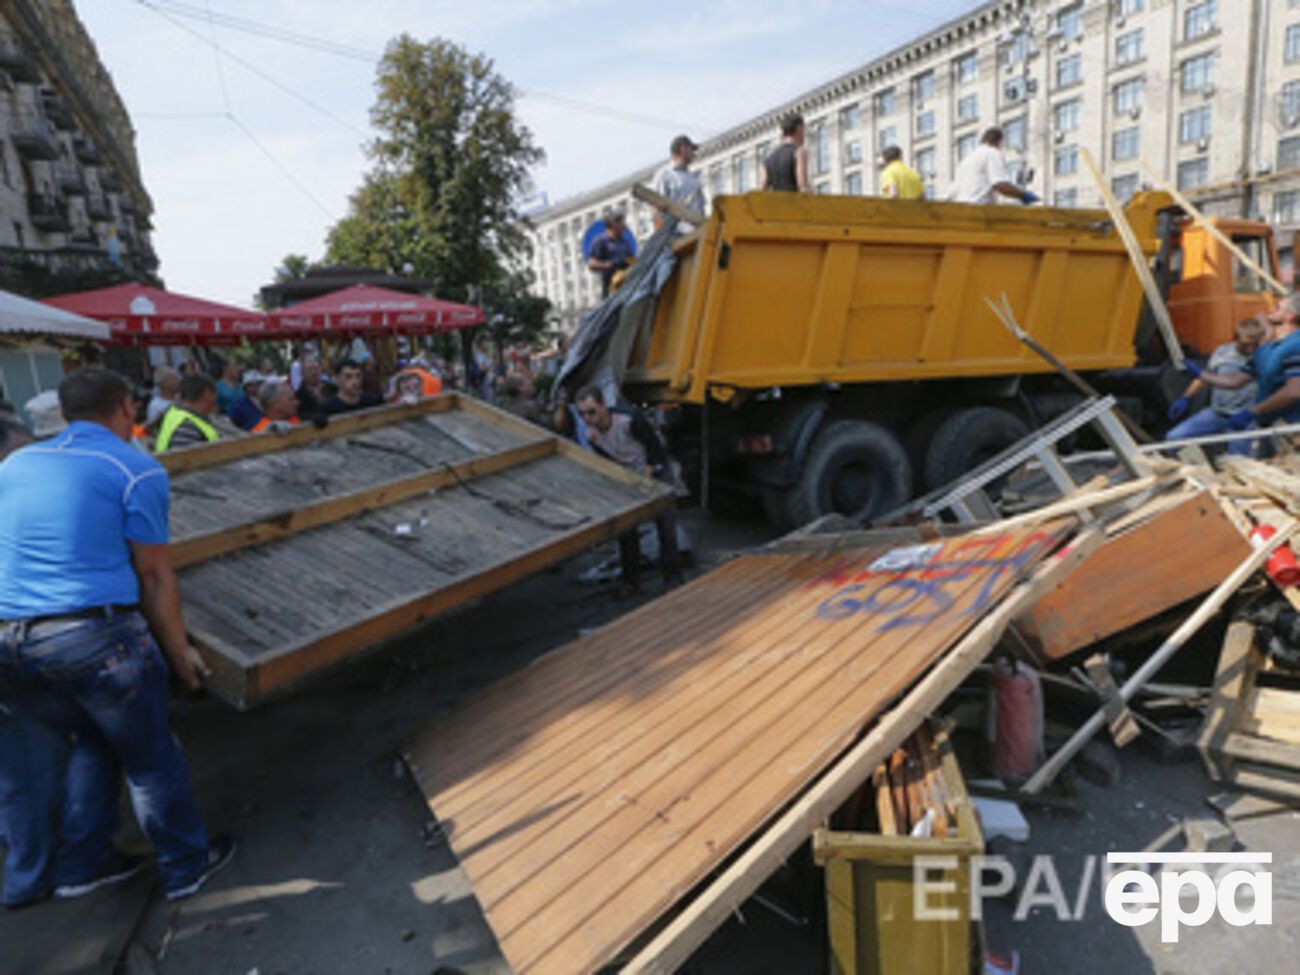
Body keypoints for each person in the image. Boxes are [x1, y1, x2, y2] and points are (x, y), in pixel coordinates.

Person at [0, 368, 235, 903]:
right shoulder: (135, 469)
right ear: (127, 409)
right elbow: (154, 577)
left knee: (94, 742)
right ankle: (185, 867)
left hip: (11, 647)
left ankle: (82, 867)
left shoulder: (16, 465)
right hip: (93, 643)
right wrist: (181, 658)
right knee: (153, 761)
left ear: (63, 413)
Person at [573, 385, 683, 595]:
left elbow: (654, 449)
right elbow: (607, 461)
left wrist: (647, 480)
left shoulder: (629, 420)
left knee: (665, 525)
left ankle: (673, 578)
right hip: (628, 476)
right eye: (582, 414)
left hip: (653, 470)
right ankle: (631, 580)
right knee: (626, 530)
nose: (588, 419)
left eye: (591, 412)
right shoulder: (591, 434)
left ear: (604, 406)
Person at [1188, 294, 1300, 455]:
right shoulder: (1267, 349)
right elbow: (1236, 381)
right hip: (1268, 428)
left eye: (1277, 307)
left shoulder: (1295, 346)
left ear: (1290, 315)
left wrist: (1253, 411)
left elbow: (1293, 391)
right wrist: (1201, 374)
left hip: (1291, 429)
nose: (1270, 310)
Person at [1166, 317, 1266, 443]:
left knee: (1238, 459)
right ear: (1235, 338)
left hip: (1244, 417)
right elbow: (1205, 377)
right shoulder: (1222, 352)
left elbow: (1235, 382)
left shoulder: (1264, 355)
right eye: (1246, 344)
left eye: (1255, 344)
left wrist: (1254, 413)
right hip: (1217, 412)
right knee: (1174, 438)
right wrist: (1185, 398)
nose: (1251, 349)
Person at [946, 127, 1038, 205]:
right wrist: (1023, 194)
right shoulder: (992, 153)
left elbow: (952, 192)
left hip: (962, 211)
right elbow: (1000, 184)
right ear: (999, 142)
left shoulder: (966, 160)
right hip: (981, 210)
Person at [154, 374, 221, 453]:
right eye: (214, 398)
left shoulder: (174, 414)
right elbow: (186, 460)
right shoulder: (186, 425)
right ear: (206, 394)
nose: (215, 404)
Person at [652, 134, 706, 222]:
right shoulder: (665, 175)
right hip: (677, 232)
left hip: (697, 230)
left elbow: (701, 207)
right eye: (691, 149)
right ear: (683, 149)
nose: (694, 153)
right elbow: (656, 209)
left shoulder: (693, 178)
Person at [587, 212, 635, 299]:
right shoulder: (601, 241)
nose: (624, 227)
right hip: (610, 286)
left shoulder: (625, 242)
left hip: (626, 285)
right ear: (612, 225)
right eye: (621, 224)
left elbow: (631, 259)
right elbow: (592, 265)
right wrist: (611, 265)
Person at [759, 113, 809, 193]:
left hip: (776, 204)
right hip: (794, 203)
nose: (804, 134)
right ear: (799, 128)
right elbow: (803, 186)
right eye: (804, 130)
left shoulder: (768, 160)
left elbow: (762, 190)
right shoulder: (799, 152)